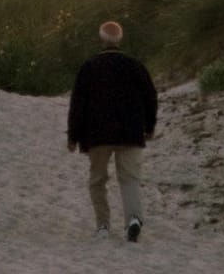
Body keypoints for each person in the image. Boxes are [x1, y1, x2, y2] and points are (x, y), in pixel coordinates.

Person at [67, 20, 158, 242]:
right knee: (130, 179)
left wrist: (73, 135)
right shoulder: (135, 65)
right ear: (120, 40)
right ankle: (133, 220)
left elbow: (78, 103)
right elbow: (150, 97)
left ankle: (103, 225)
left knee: (98, 180)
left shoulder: (89, 67)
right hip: (130, 131)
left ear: (101, 40)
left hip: (98, 133)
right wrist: (149, 126)